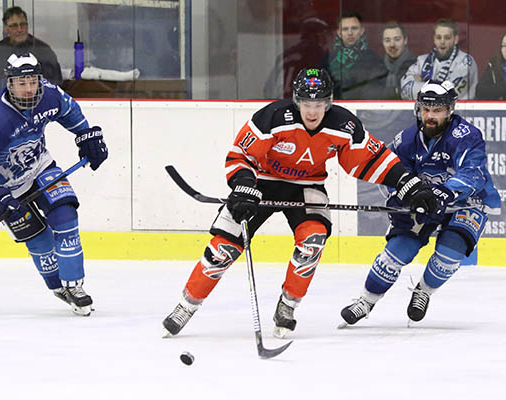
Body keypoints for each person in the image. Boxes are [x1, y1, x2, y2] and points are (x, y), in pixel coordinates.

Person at [162, 68, 444, 339]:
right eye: (307, 103)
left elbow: (371, 160)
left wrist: (410, 184)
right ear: (297, 101)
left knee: (313, 240)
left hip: (306, 186)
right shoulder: (272, 117)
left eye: (319, 103)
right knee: (224, 247)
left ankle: (288, 305)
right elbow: (240, 155)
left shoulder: (343, 125)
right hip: (259, 183)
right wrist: (243, 186)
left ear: (329, 102)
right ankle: (186, 306)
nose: (312, 110)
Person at [340, 80, 501, 326]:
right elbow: (390, 173)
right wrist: (404, 195)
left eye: (437, 110)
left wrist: (446, 192)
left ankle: (423, 291)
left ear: (450, 110)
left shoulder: (466, 136)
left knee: (451, 251)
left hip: (467, 202)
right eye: (426, 109)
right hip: (426, 202)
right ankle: (366, 300)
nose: (430, 116)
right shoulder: (407, 139)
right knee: (398, 251)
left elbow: (473, 173)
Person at [0, 53, 108, 316]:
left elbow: (68, 109)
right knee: (40, 241)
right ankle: (57, 286)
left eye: (33, 80)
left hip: (40, 167)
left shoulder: (49, 94)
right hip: (8, 188)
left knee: (66, 217)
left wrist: (85, 134)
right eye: (22, 82)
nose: (29, 88)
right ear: (9, 83)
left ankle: (75, 286)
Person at [0, 6, 63, 96]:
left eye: (23, 24)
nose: (20, 29)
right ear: (6, 29)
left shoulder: (43, 49)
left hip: (36, 104)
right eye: (14, 26)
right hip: (3, 104)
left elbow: (55, 83)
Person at [401, 19, 478, 100]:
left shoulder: (465, 62)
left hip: (459, 112)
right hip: (425, 111)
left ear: (455, 40)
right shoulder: (421, 61)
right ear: (434, 39)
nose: (442, 41)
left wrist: (421, 84)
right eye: (438, 37)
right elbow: (405, 90)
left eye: (447, 38)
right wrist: (441, 85)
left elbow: (450, 95)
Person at [320, 11, 387, 100]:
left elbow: (376, 92)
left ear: (362, 31)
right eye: (345, 29)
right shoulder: (328, 59)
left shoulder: (374, 60)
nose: (350, 33)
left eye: (354, 28)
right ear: (339, 33)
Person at [379, 21, 417, 100]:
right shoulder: (377, 66)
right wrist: (397, 91)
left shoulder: (416, 66)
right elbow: (369, 93)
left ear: (405, 40)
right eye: (387, 40)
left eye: (397, 39)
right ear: (382, 42)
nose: (392, 44)